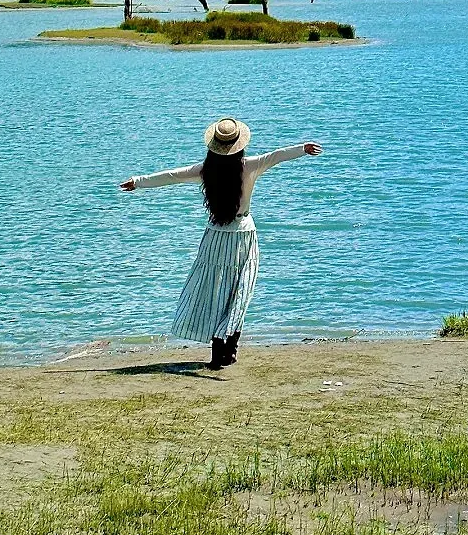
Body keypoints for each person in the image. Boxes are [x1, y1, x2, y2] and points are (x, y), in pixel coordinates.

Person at [121, 117, 323, 369]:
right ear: (240, 144)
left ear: (213, 145)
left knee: (214, 290)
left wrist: (138, 181)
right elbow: (277, 156)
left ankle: (219, 351)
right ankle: (229, 348)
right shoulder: (250, 165)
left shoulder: (206, 170)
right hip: (243, 236)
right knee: (241, 289)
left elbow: (171, 176)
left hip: (215, 237)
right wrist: (302, 149)